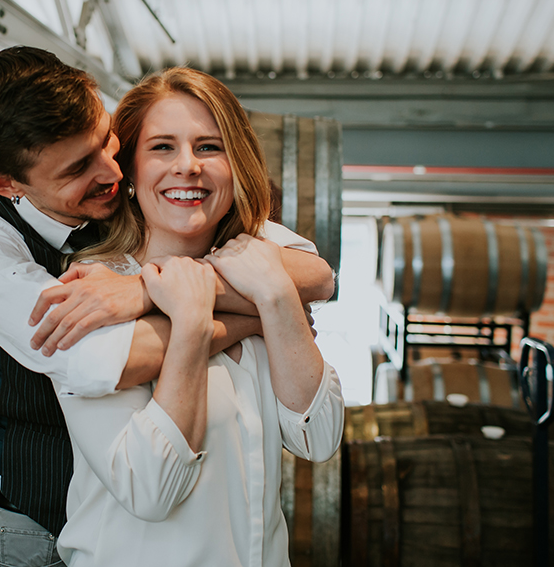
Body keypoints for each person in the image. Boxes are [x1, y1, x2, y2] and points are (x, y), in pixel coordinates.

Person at [0, 47, 335, 567]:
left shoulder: (151, 201)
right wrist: (255, 312)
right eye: (79, 167)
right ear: (7, 183)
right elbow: (96, 358)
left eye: (107, 140)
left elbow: (316, 275)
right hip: (29, 513)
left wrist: (148, 290)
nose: (111, 170)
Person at [53, 67, 344, 566]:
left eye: (209, 147)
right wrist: (190, 324)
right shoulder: (92, 291)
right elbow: (150, 490)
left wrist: (273, 294)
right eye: (162, 147)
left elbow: (318, 438)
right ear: (129, 170)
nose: (188, 166)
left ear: (237, 165)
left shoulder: (265, 259)